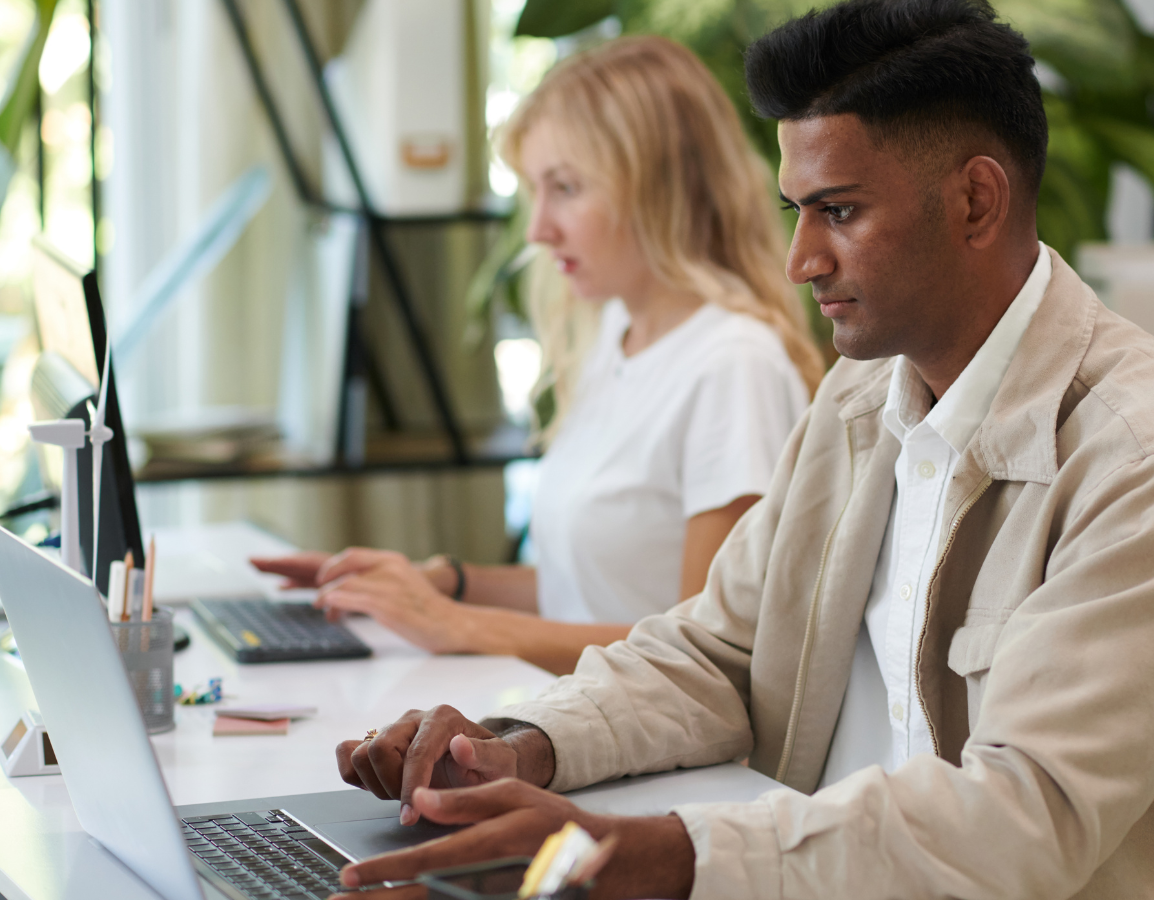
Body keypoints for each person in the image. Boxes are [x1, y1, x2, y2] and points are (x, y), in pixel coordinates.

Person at [328, 1, 1154, 897]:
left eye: (839, 212)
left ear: (978, 202)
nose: (801, 260)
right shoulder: (859, 400)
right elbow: (719, 653)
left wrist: (668, 852)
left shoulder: (1151, 464)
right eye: (795, 211)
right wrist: (522, 748)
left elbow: (1022, 822)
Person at [252, 36, 823, 676]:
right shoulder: (619, 332)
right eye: (535, 191)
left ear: (662, 188)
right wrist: (439, 583)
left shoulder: (733, 366)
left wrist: (458, 625)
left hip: (667, 757)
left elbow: (707, 650)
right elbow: (593, 584)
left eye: (567, 188)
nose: (538, 229)